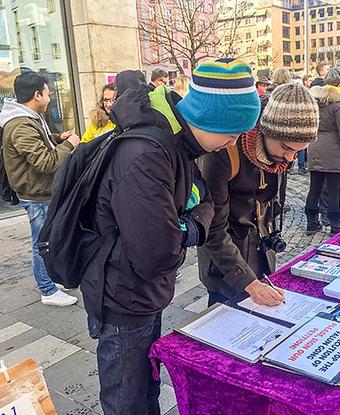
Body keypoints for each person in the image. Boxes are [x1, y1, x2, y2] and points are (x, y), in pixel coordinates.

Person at [83, 58, 259, 414]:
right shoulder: (149, 154)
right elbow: (158, 253)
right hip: (123, 297)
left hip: (142, 292)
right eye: (232, 133)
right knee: (127, 401)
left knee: (146, 390)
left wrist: (185, 223)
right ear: (211, 118)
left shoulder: (180, 144)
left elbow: (204, 200)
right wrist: (192, 227)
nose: (232, 143)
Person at [197, 82, 317, 307]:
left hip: (262, 254)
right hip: (226, 267)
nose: (290, 159)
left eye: (299, 152)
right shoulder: (224, 151)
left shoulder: (278, 156)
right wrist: (248, 282)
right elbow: (213, 230)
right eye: (287, 149)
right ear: (266, 131)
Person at [0, 70, 81, 306]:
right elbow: (45, 162)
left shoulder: (29, 118)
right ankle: (47, 290)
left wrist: (56, 139)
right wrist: (69, 144)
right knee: (41, 243)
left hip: (42, 191)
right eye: (47, 93)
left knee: (49, 239)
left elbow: (38, 147)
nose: (50, 98)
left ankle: (50, 279)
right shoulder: (21, 125)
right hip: (35, 194)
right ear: (37, 94)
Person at [307, 67, 340, 234]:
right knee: (334, 190)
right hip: (334, 153)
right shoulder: (338, 106)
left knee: (314, 188)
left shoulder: (316, 102)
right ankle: (336, 224)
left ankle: (312, 222)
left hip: (315, 148)